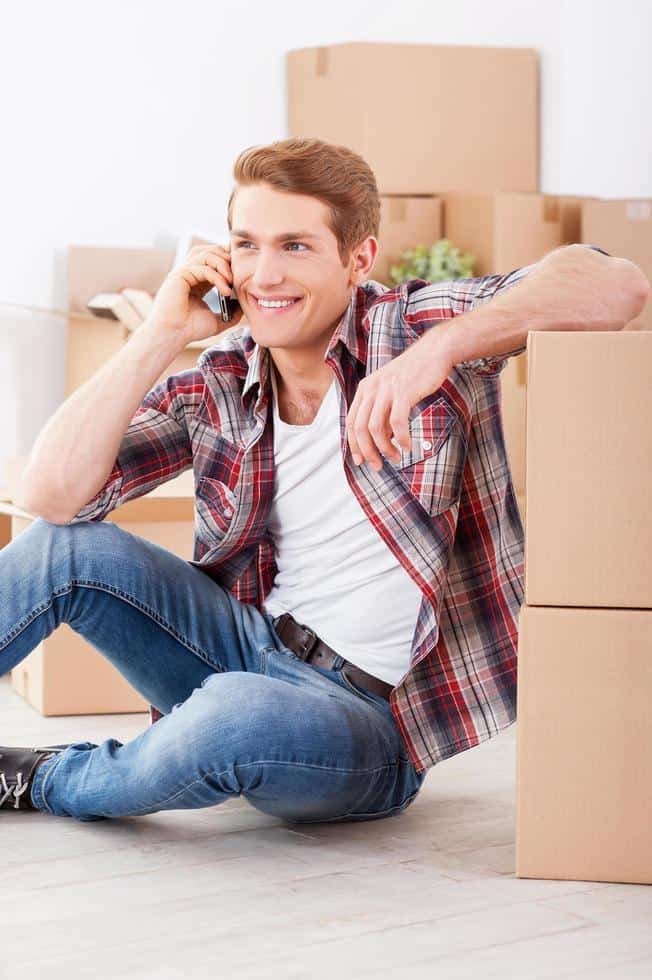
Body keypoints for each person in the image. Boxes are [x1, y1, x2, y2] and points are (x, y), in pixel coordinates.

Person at [0, 138, 647, 820]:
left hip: (365, 722)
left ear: (358, 259)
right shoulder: (222, 376)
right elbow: (50, 496)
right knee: (62, 549)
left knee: (231, 712)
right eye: (246, 245)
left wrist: (439, 350)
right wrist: (161, 334)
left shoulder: (410, 330)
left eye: (295, 246)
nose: (264, 275)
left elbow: (617, 284)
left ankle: (43, 779)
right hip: (245, 646)